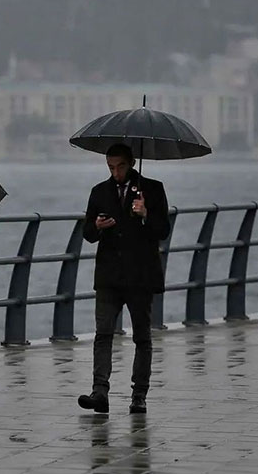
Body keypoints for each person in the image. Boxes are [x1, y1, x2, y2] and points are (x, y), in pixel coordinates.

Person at [77, 143, 170, 414]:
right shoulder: (99, 192)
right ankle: (99, 392)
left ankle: (139, 395)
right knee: (103, 333)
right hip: (108, 275)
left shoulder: (152, 189)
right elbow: (87, 233)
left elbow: (163, 230)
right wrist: (96, 226)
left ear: (131, 163)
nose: (115, 172)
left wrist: (145, 215)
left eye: (119, 166)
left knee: (142, 336)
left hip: (140, 276)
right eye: (110, 167)